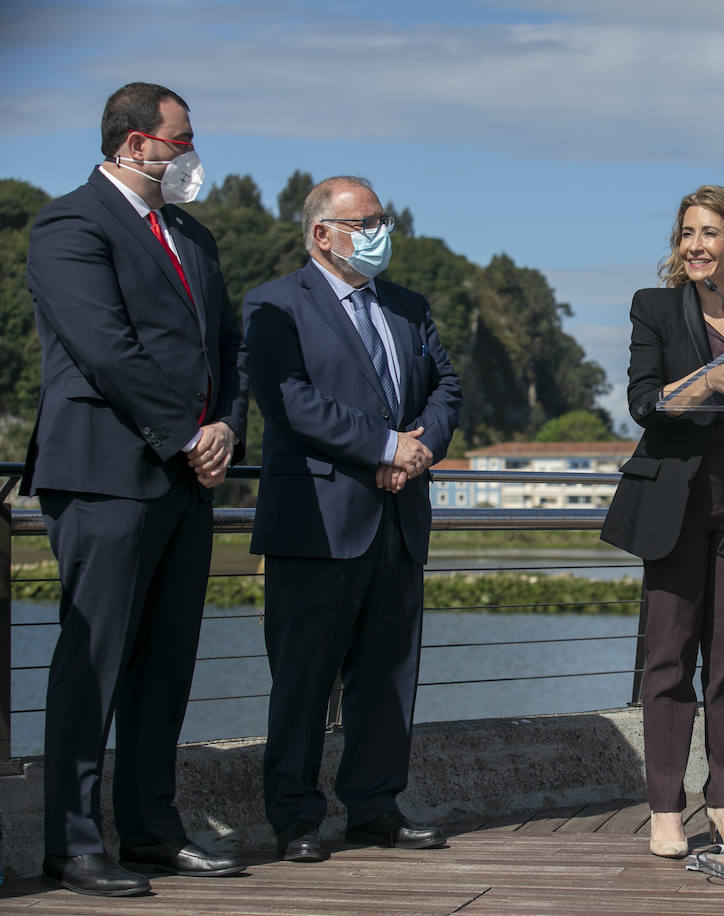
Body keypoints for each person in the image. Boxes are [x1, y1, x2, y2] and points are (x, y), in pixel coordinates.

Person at [22, 82, 248, 896]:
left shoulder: (191, 234)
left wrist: (225, 425)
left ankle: (152, 829)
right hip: (105, 472)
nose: (190, 153)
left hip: (187, 478)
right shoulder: (70, 223)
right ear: (134, 141)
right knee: (96, 661)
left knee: (167, 664)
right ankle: (75, 844)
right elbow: (105, 349)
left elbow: (228, 346)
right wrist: (188, 433)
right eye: (180, 138)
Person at [243, 175, 462, 864]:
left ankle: (375, 807)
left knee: (389, 674)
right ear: (321, 234)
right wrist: (380, 446)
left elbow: (447, 388)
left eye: (381, 218)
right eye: (364, 222)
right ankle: (296, 817)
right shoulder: (273, 303)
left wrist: (417, 446)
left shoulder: (407, 305)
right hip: (317, 519)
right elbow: (290, 404)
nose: (379, 232)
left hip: (398, 516)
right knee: (304, 679)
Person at [600, 186, 724, 858]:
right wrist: (705, 382)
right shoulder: (654, 308)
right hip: (675, 506)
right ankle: (663, 809)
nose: (696, 246)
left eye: (711, 234)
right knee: (668, 659)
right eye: (687, 234)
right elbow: (644, 403)